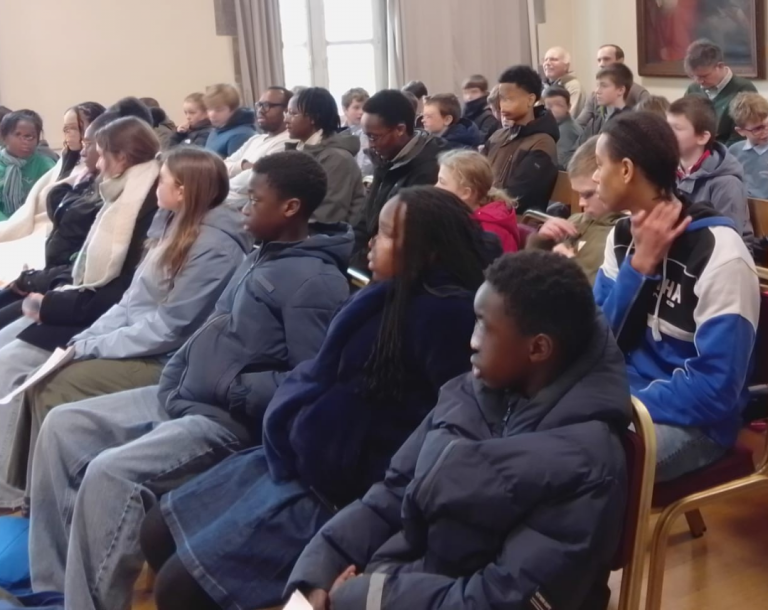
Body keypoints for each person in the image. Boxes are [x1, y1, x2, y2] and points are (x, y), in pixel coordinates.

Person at [28, 151, 353, 608]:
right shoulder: (264, 254)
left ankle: (89, 603)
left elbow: (310, 383)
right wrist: (180, 373)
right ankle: (53, 587)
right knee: (64, 424)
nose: (243, 209)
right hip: (188, 392)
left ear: (290, 208)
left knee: (111, 473)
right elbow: (213, 329)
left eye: (254, 201)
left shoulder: (313, 282)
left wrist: (232, 389)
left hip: (228, 421)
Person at [140, 187, 489, 610]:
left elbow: (437, 431)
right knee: (157, 528)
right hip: (297, 456)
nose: (372, 243)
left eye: (386, 235)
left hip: (339, 493)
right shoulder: (385, 295)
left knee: (180, 589)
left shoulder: (448, 318)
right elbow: (323, 372)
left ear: (428, 251)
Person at [287, 252, 631, 610]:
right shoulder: (469, 391)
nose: (473, 341)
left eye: (485, 326)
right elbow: (390, 496)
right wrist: (319, 574)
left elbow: (504, 599)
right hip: (407, 583)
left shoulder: (588, 465)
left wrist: (364, 597)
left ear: (538, 348)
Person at [3, 147, 249, 503]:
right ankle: (34, 491)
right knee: (45, 373)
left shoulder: (216, 247)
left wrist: (95, 347)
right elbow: (131, 302)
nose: (155, 188)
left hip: (168, 361)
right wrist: (88, 338)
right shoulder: (171, 222)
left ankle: (58, 499)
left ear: (183, 190)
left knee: (55, 386)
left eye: (161, 181)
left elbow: (170, 329)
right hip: (140, 341)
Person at [0, 116, 161, 510]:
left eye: (99, 151)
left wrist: (51, 304)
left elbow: (120, 294)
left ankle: (9, 493)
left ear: (122, 158)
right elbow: (81, 263)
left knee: (6, 366)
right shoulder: (121, 193)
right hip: (84, 303)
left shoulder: (149, 204)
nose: (93, 160)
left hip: (99, 318)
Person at [593, 111, 760, 481]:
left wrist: (621, 404)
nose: (592, 176)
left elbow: (716, 390)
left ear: (625, 170)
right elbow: (598, 340)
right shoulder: (620, 237)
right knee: (539, 431)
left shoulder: (720, 252)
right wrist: (639, 267)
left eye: (598, 164)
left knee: (585, 467)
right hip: (623, 395)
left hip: (696, 422)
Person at [0, 111, 110, 325]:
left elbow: (45, 209)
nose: (68, 135)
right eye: (65, 129)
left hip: (51, 254)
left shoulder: (46, 162)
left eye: (30, 136)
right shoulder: (67, 161)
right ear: (4, 136)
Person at [353, 91, 442, 264]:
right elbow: (365, 220)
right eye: (367, 136)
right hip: (369, 256)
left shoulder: (429, 169)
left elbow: (405, 241)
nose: (370, 144)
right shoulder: (385, 157)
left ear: (400, 129)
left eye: (374, 137)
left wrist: (353, 262)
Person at [527, 137, 624, 285]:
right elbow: (529, 274)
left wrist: (568, 268)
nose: (581, 203)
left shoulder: (622, 237)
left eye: (588, 194)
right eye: (578, 194)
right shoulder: (576, 221)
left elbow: (603, 299)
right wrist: (542, 242)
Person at [667, 96, 751, 238]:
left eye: (677, 128)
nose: (666, 134)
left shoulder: (727, 183)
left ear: (702, 137)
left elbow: (726, 241)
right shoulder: (665, 171)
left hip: (718, 255)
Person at [285, 88, 365, 225]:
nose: (286, 119)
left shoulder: (337, 159)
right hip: (298, 233)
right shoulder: (298, 150)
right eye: (286, 112)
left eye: (293, 113)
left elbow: (326, 217)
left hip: (328, 240)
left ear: (313, 118)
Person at [485, 66, 559, 213]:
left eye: (509, 99)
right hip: (487, 210)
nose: (502, 105)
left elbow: (518, 196)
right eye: (501, 99)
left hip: (516, 219)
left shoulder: (542, 143)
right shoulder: (498, 136)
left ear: (530, 99)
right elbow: (475, 176)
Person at [437, 149, 519, 253]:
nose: (435, 187)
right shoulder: (456, 214)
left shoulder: (490, 234)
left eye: (442, 182)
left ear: (465, 193)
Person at [225, 87, 291, 207]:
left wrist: (218, 185)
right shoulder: (255, 139)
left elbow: (253, 180)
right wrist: (242, 166)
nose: (260, 110)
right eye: (259, 105)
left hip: (241, 209)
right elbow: (222, 165)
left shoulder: (287, 142)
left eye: (267, 105)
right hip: (225, 200)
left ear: (286, 110)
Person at [684, 39, 756, 146]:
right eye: (693, 76)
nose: (699, 82)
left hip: (726, 156)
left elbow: (740, 139)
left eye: (704, 76)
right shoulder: (693, 89)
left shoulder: (744, 89)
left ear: (720, 66)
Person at [0, 111, 57, 222]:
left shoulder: (45, 165)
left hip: (35, 224)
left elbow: (50, 202)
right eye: (18, 135)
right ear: (4, 137)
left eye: (30, 136)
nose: (25, 141)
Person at [577, 45, 650, 129]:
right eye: (599, 60)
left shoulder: (639, 93)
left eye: (606, 59)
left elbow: (646, 125)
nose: (601, 64)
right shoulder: (595, 95)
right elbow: (580, 123)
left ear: (620, 61)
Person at [577, 63, 634, 142]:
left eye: (604, 86)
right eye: (597, 85)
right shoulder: (597, 117)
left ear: (620, 90)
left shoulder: (628, 123)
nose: (597, 91)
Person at [729, 92, 768, 199]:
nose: (765, 131)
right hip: (743, 208)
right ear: (740, 131)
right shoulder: (734, 151)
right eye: (758, 129)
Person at [203, 84, 257, 157]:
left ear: (233, 109)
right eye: (209, 109)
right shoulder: (217, 129)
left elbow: (235, 167)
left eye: (219, 110)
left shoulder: (241, 135)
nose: (211, 114)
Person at [542, 85, 580, 169]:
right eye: (549, 105)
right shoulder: (552, 124)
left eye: (559, 105)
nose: (553, 109)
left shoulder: (567, 130)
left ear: (569, 107)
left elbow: (559, 161)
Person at [541, 46, 585, 118]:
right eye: (545, 60)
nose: (547, 63)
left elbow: (571, 116)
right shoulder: (543, 86)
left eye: (553, 59)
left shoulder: (573, 86)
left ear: (566, 66)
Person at [341, 87, 373, 177]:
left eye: (364, 107)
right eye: (356, 107)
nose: (361, 112)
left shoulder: (372, 133)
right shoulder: (339, 133)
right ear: (345, 110)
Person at [461, 74, 501, 143]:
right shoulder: (463, 113)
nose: (469, 96)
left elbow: (482, 139)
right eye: (465, 93)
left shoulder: (489, 115)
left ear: (484, 93)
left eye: (474, 92)